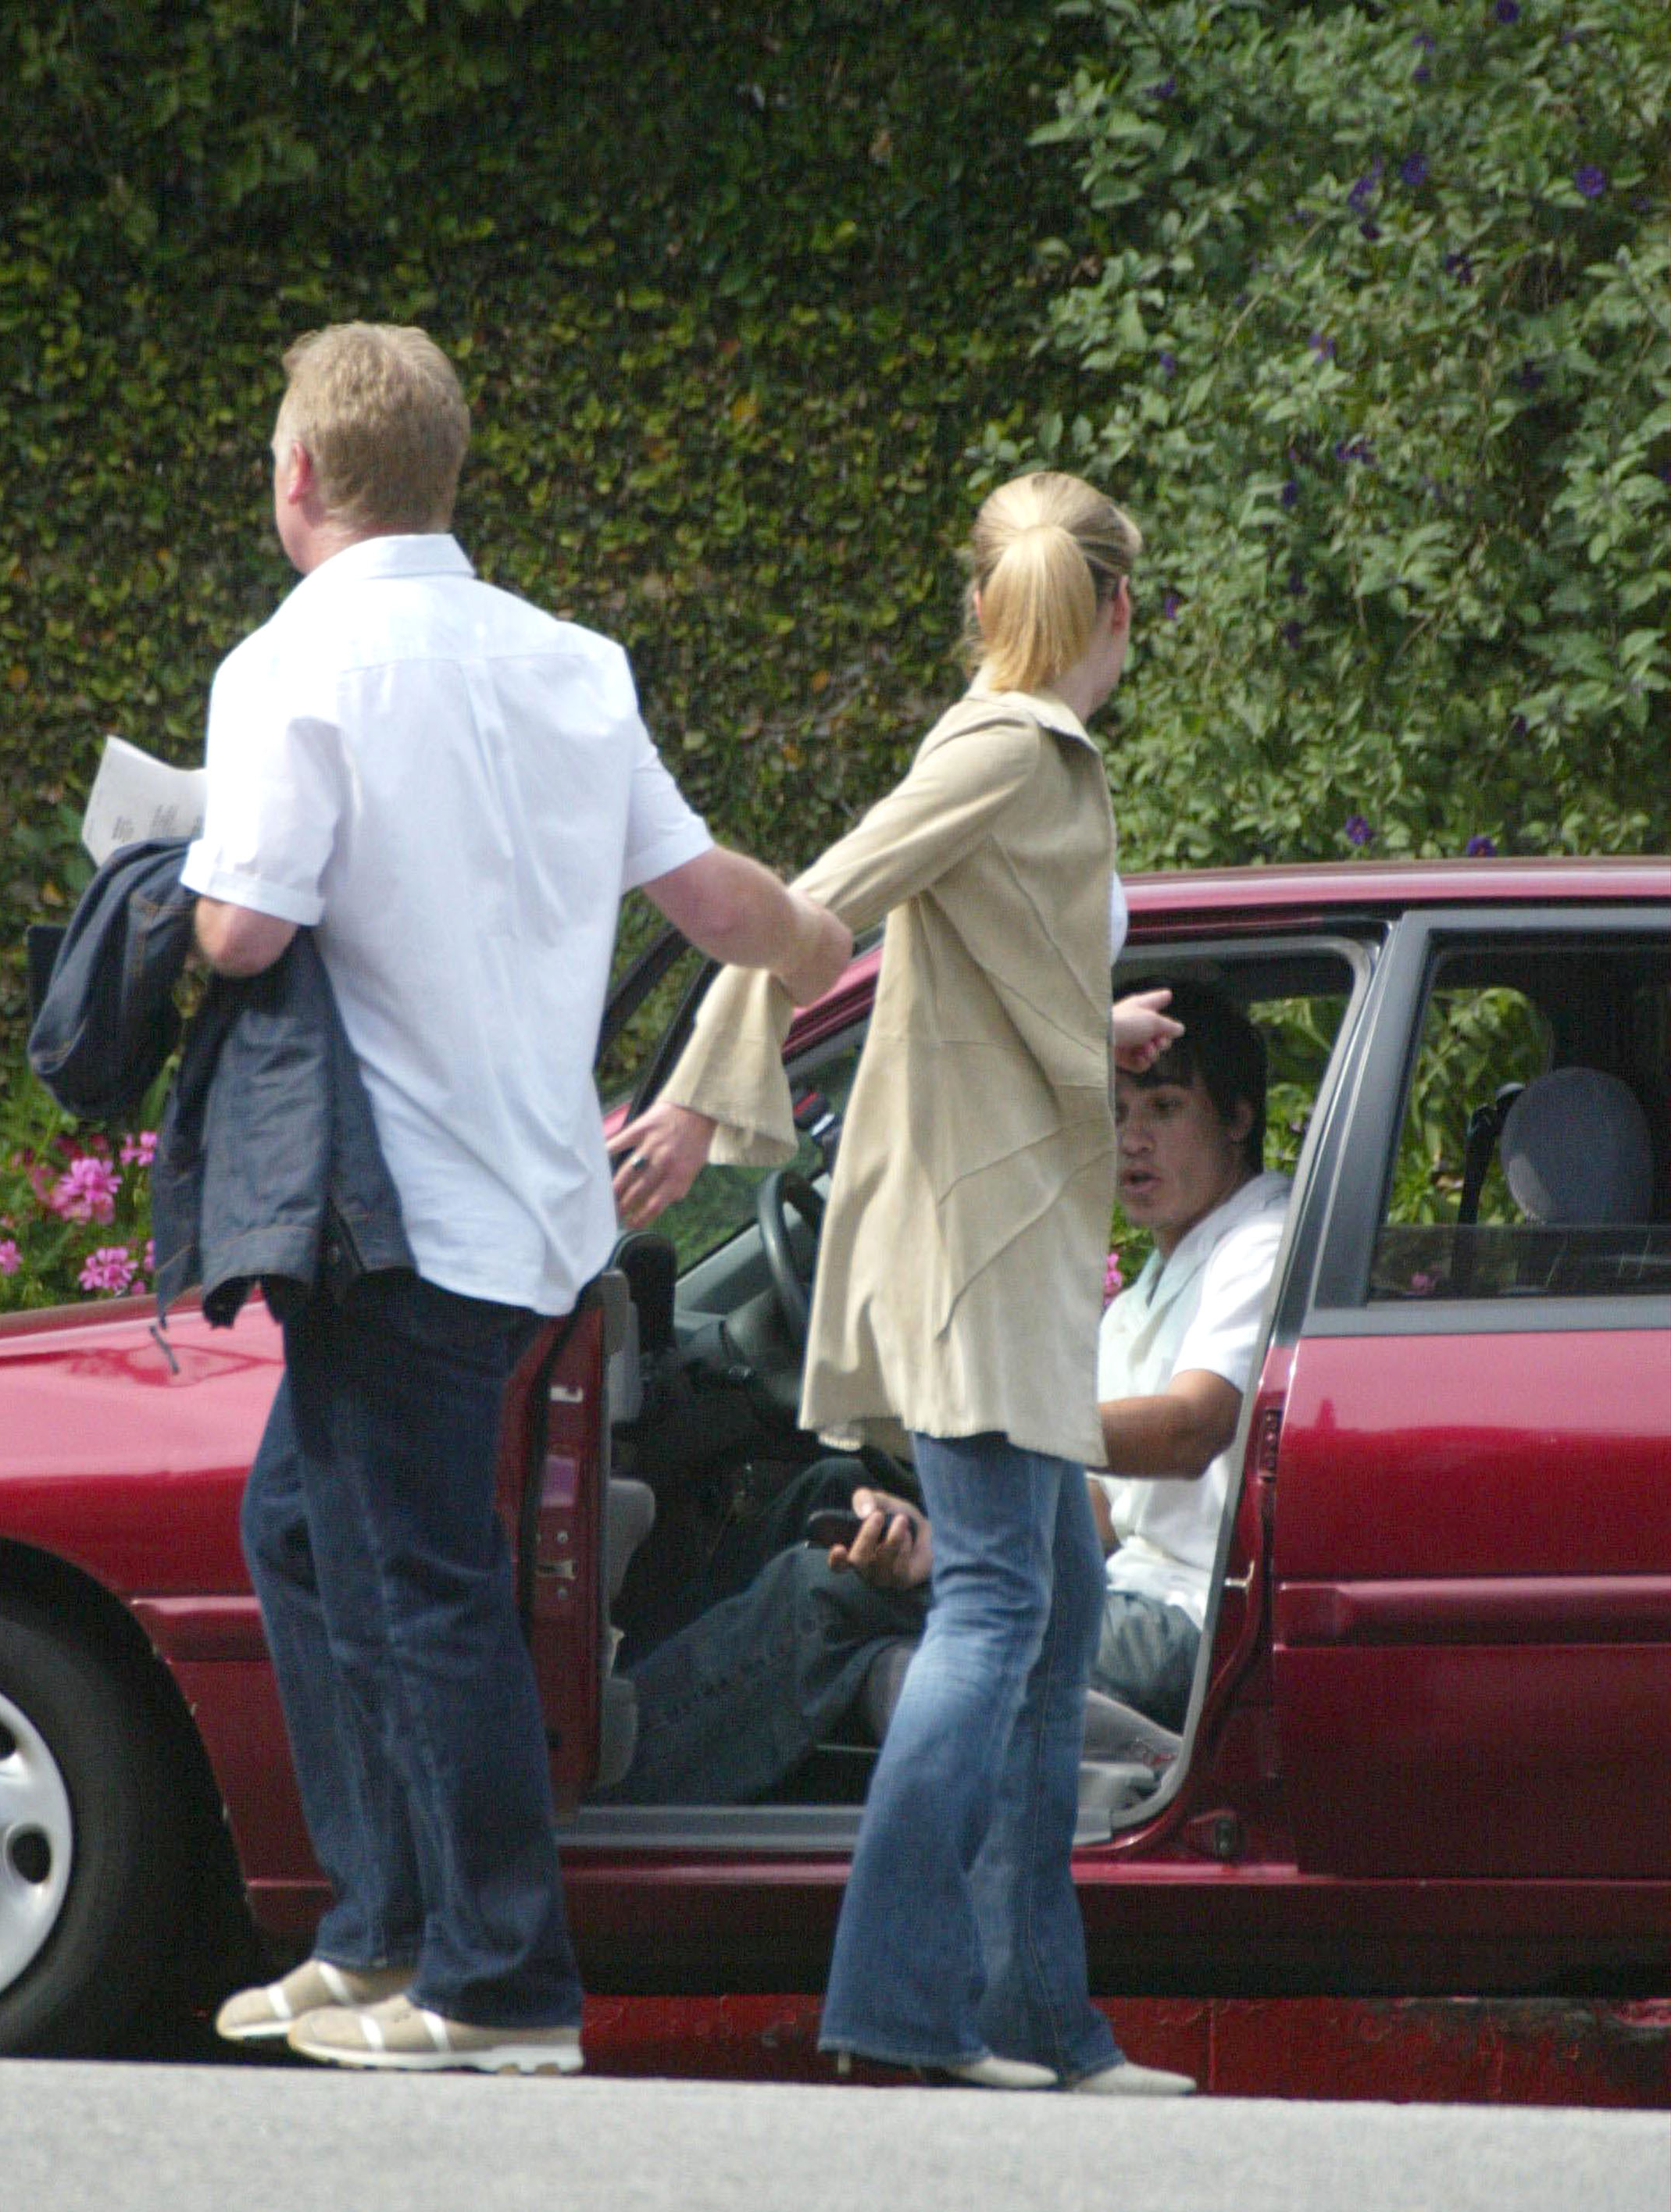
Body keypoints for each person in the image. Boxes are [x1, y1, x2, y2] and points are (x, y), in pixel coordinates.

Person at [195, 323, 850, 2073]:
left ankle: (495, 1983)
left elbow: (244, 928)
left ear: (301, 478)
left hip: (385, 1218)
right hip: (537, 1215)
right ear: (444, 472)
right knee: (304, 1533)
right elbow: (711, 896)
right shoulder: (572, 661)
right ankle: (379, 1932)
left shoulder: (287, 665)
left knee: (422, 1580)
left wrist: (166, 888)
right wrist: (818, 940)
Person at [610, 471, 1184, 2092]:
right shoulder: (1003, 749)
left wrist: (1101, 1036)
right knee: (1004, 1607)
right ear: (1117, 611)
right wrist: (698, 1101)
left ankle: (1034, 2023)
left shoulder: (1025, 756)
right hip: (973, 1250)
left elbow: (983, 970)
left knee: (1045, 1607)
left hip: (1002, 1241)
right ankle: (901, 2008)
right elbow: (820, 907)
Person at [604, 982, 1288, 1800]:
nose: (1131, 1141)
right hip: (1120, 1587)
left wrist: (984, 1431)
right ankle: (616, 1715)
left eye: (1166, 1108)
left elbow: (1189, 1429)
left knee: (828, 1589)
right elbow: (1096, 1513)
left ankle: (610, 1794)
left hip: (1178, 1624)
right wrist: (946, 1536)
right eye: (1114, 1113)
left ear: (1238, 1119)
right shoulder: (1156, 1281)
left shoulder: (1258, 1237)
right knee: (831, 1495)